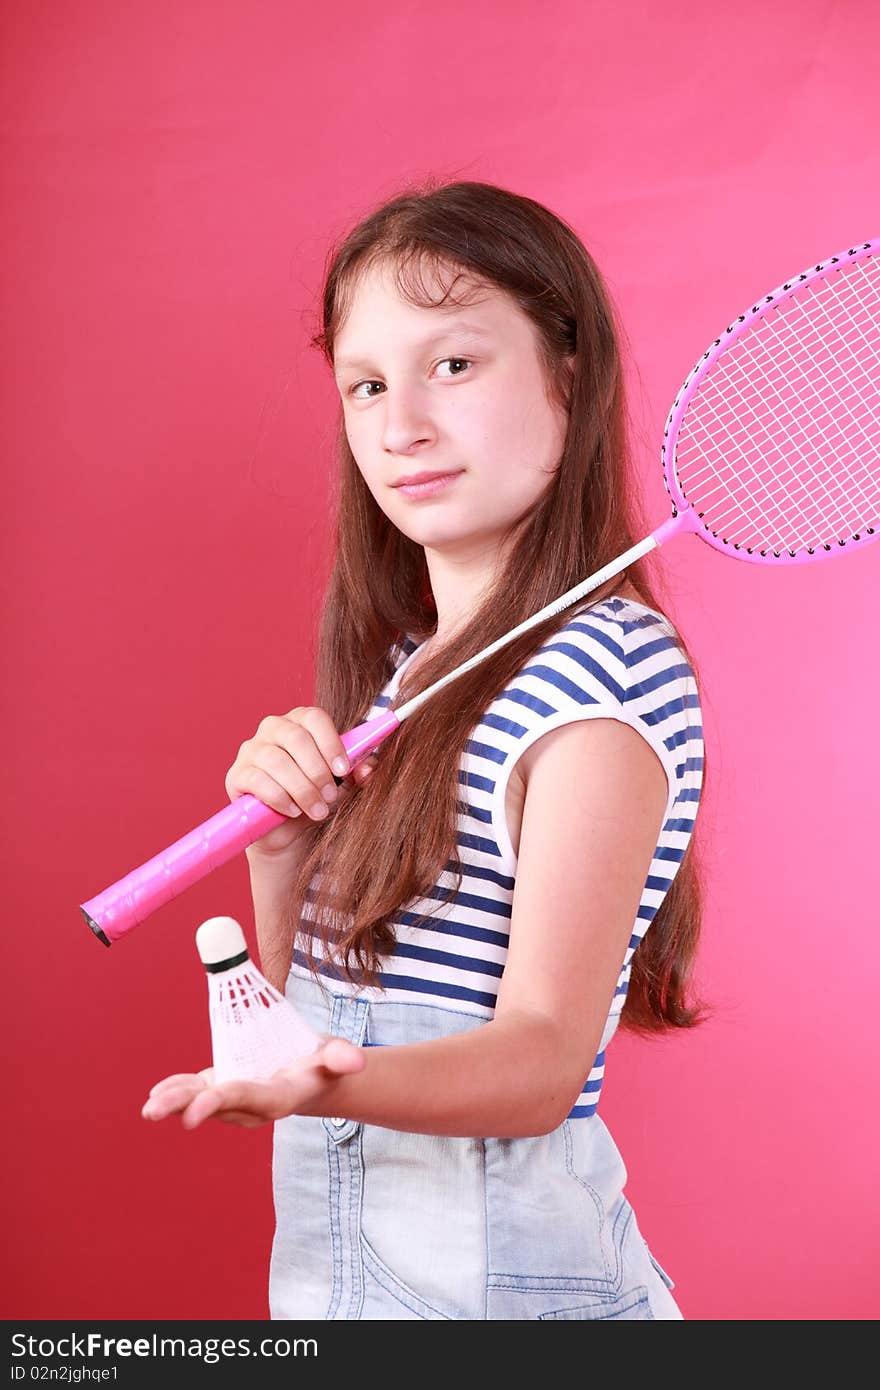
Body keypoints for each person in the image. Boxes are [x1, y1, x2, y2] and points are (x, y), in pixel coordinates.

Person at [142, 179, 707, 1321]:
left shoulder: (596, 680)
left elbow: (541, 1063)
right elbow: (315, 1014)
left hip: (498, 1297)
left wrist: (323, 1083)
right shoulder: (411, 673)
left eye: (452, 365)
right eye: (366, 384)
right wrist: (283, 854)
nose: (400, 425)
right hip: (348, 1283)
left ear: (569, 373)